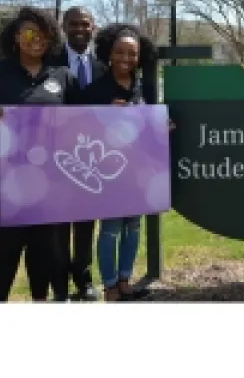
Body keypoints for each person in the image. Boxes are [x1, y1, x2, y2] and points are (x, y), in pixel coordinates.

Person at [0, 6, 80, 302]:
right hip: (6, 187)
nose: (37, 39)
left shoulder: (63, 77)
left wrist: (136, 118)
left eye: (44, 34)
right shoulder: (2, 73)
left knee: (42, 262)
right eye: (30, 32)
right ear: (16, 36)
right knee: (4, 259)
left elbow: (88, 123)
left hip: (49, 187)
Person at [81, 23, 160, 301]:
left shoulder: (144, 87)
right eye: (120, 52)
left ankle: (126, 281)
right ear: (109, 54)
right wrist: (106, 116)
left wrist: (162, 125)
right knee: (112, 228)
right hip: (109, 170)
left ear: (140, 56)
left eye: (132, 53)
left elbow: (149, 122)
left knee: (133, 226)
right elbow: (82, 130)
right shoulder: (95, 91)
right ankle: (111, 286)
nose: (126, 58)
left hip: (138, 170)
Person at [50, 6, 107, 301]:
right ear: (64, 26)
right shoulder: (50, 62)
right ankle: (59, 286)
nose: (80, 29)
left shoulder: (103, 68)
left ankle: (83, 281)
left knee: (86, 223)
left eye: (85, 24)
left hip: (91, 158)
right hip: (54, 155)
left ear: (93, 28)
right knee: (59, 225)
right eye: (74, 24)